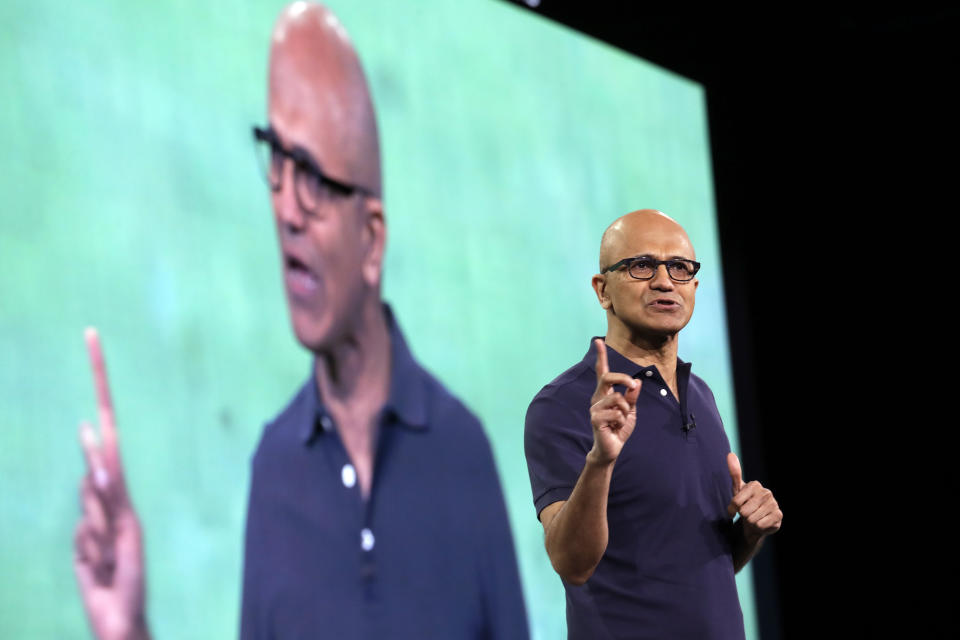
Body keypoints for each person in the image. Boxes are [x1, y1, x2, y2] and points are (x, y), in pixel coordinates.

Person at [73, 3, 528, 639]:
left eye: (311, 176)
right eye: (276, 163)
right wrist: (127, 628)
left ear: (372, 241)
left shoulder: (462, 452)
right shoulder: (275, 467)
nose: (286, 206)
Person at [524, 209, 782, 639]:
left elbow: (693, 567)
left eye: (680, 268)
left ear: (694, 287)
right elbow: (572, 564)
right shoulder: (562, 405)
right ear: (602, 290)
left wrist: (749, 534)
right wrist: (601, 460)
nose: (664, 281)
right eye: (641, 265)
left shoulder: (700, 393)